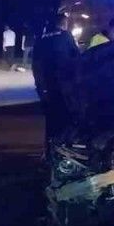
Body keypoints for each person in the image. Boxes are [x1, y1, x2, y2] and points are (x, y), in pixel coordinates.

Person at [32, 16, 80, 147]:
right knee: (67, 118)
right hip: (66, 85)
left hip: (48, 85)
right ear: (64, 24)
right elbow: (76, 57)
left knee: (50, 119)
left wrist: (39, 86)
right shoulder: (66, 36)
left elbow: (36, 65)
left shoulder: (40, 39)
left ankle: (50, 148)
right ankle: (65, 147)